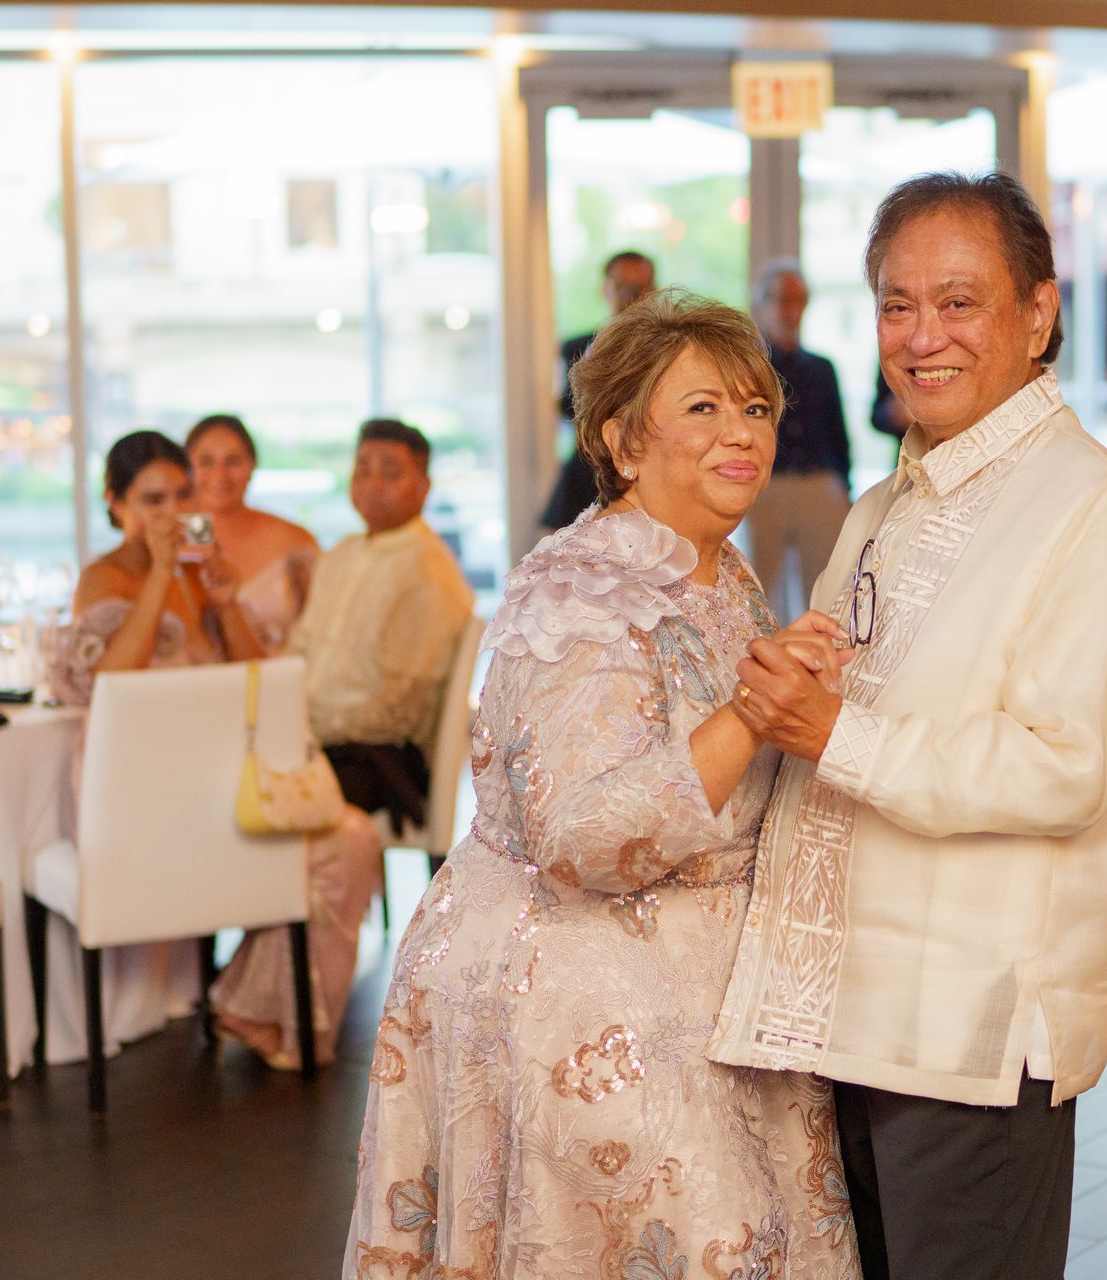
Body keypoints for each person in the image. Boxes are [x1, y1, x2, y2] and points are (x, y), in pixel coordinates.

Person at [709, 172, 1107, 1280]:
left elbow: (1067, 770)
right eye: (896, 304)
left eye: (960, 303)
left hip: (969, 1032)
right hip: (849, 1017)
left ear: (1038, 314)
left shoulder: (1087, 508)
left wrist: (833, 730)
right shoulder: (889, 501)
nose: (922, 336)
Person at [345, 291, 862, 1279]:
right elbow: (580, 832)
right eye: (703, 409)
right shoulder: (582, 586)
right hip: (588, 1007)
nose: (741, 434)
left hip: (705, 986)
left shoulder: (717, 569)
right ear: (623, 442)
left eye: (755, 408)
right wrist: (752, 713)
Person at [52, 430, 382, 1071]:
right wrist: (159, 576)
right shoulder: (105, 577)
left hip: (211, 779)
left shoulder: (199, 577)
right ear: (114, 501)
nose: (169, 513)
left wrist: (225, 600)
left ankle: (256, 1005)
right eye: (151, 499)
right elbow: (110, 684)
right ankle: (260, 1010)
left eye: (181, 495)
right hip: (135, 793)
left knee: (355, 838)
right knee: (345, 839)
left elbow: (258, 675)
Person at [284, 418, 475, 838]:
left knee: (270, 807)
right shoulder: (340, 555)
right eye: (361, 470)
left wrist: (309, 737)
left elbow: (398, 707)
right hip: (318, 743)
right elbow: (297, 653)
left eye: (390, 472)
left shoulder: (427, 571)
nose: (372, 484)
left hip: (378, 758)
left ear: (424, 486)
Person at [743, 258, 852, 617]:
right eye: (782, 300)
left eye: (798, 300)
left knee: (826, 587)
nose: (791, 310)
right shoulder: (748, 368)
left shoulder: (822, 367)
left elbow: (838, 434)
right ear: (761, 302)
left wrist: (842, 485)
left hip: (818, 483)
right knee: (757, 588)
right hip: (765, 484)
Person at [539, 249, 657, 530]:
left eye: (639, 288)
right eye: (621, 287)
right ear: (604, 289)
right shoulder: (576, 348)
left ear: (653, 291)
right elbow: (567, 408)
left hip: (646, 478)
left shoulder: (666, 350)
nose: (630, 296)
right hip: (586, 478)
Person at [185, 413, 319, 650]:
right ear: (186, 468)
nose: (220, 475)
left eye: (233, 461)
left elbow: (324, 631)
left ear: (252, 465)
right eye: (205, 461)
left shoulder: (292, 539)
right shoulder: (175, 539)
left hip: (279, 681)